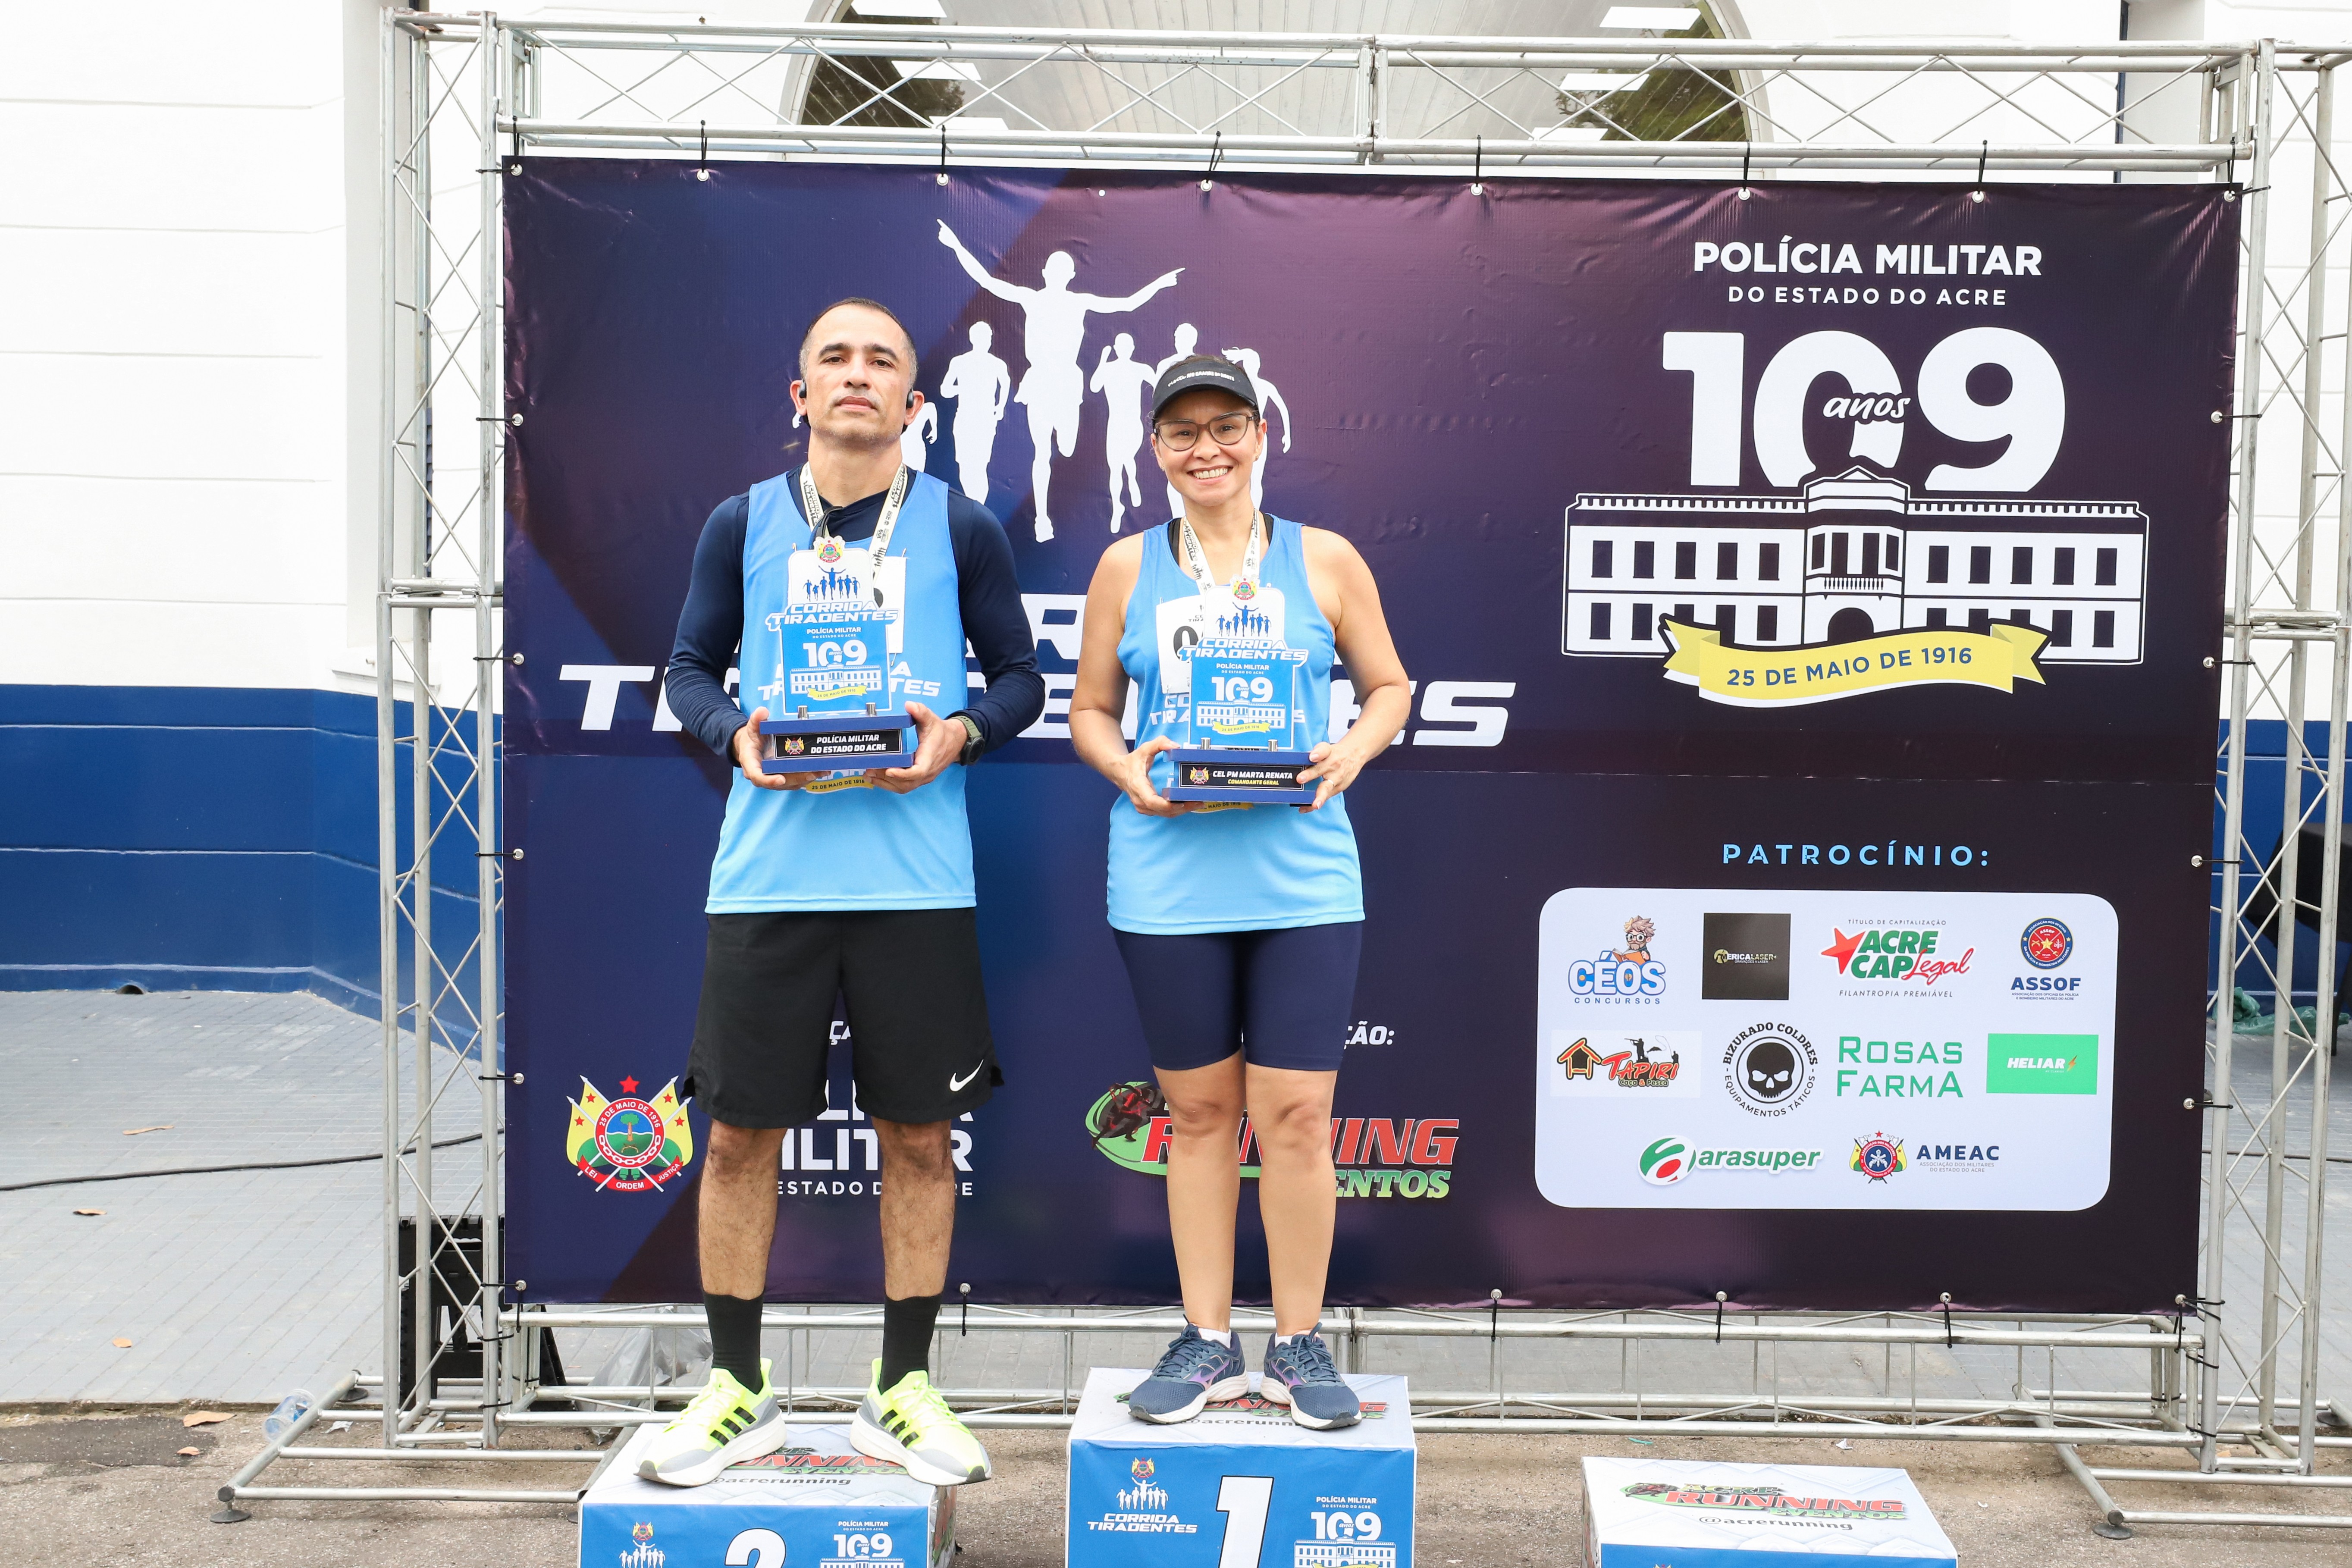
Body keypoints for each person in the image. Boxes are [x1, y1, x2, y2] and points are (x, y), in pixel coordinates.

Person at [645, 297, 1045, 1488]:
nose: (858, 376)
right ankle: (735, 1388)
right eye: (835, 357)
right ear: (800, 392)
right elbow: (684, 668)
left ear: (915, 403)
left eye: (882, 362)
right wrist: (731, 730)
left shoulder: (961, 529)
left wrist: (961, 730)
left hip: (915, 883)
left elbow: (1020, 678)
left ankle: (903, 1389)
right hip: (769, 874)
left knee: (919, 1136)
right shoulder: (740, 522)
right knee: (737, 1136)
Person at [1067, 354, 1411, 1430]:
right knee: (1199, 1113)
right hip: (1168, 878)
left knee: (1300, 1116)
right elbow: (1090, 710)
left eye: (1225, 426)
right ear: (1156, 450)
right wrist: (1127, 770)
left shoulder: (1328, 560)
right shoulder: (1127, 567)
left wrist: (1353, 747)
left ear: (1262, 433)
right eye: (1181, 432)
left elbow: (1391, 685)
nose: (1205, 448)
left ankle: (1301, 1341)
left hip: (1303, 873)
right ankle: (1208, 1339)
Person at [936, 220, 1182, 541]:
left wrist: (1159, 285)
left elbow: (1126, 303)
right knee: (1041, 452)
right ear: (1045, 273)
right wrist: (956, 245)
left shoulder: (1078, 301)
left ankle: (1065, 434)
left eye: (1063, 269)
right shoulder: (1031, 298)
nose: (1056, 273)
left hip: (1068, 383)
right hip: (1039, 381)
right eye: (1053, 268)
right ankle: (1042, 519)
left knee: (1066, 447)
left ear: (1070, 276)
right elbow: (986, 280)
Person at [1090, 332, 1159, 533]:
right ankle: (1118, 506)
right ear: (1117, 347)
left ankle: (1133, 480)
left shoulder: (1140, 369)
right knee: (1115, 467)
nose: (1125, 349)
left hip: (1133, 424)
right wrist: (1102, 361)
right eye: (1121, 345)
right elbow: (1094, 388)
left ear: (1133, 348)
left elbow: (1158, 384)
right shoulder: (1108, 369)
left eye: (1128, 345)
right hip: (1115, 425)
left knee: (1127, 458)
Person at [937, 322, 1010, 503]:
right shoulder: (960, 362)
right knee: (965, 465)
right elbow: (945, 390)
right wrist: (962, 388)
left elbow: (1006, 383)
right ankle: (973, 504)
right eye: (981, 337)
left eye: (988, 338)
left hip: (985, 420)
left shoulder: (997, 364)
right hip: (964, 419)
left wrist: (1000, 407)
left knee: (980, 466)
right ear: (972, 339)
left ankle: (979, 508)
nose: (986, 341)